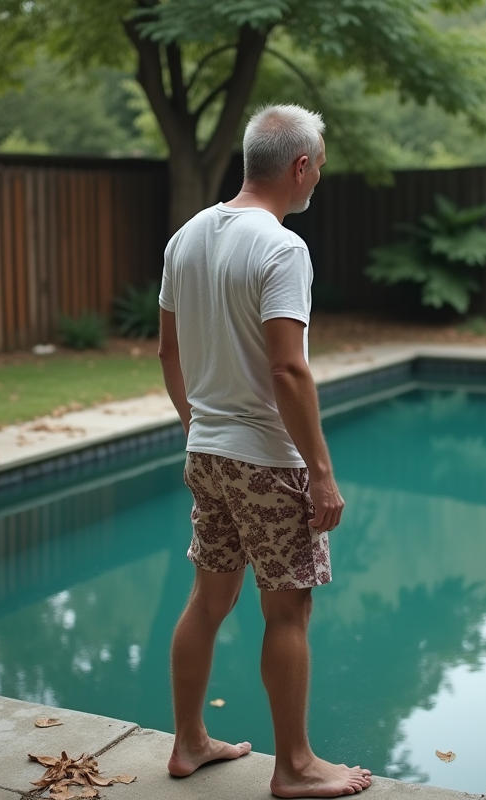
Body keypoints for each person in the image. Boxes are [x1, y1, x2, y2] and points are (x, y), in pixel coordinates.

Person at [157, 104, 372, 798]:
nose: (319, 179)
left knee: (208, 599)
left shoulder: (186, 236)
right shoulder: (282, 247)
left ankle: (189, 741)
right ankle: (296, 766)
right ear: (300, 166)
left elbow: (169, 349)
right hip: (266, 460)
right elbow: (288, 369)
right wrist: (322, 473)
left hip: (208, 452)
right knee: (288, 612)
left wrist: (198, 426)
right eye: (321, 167)